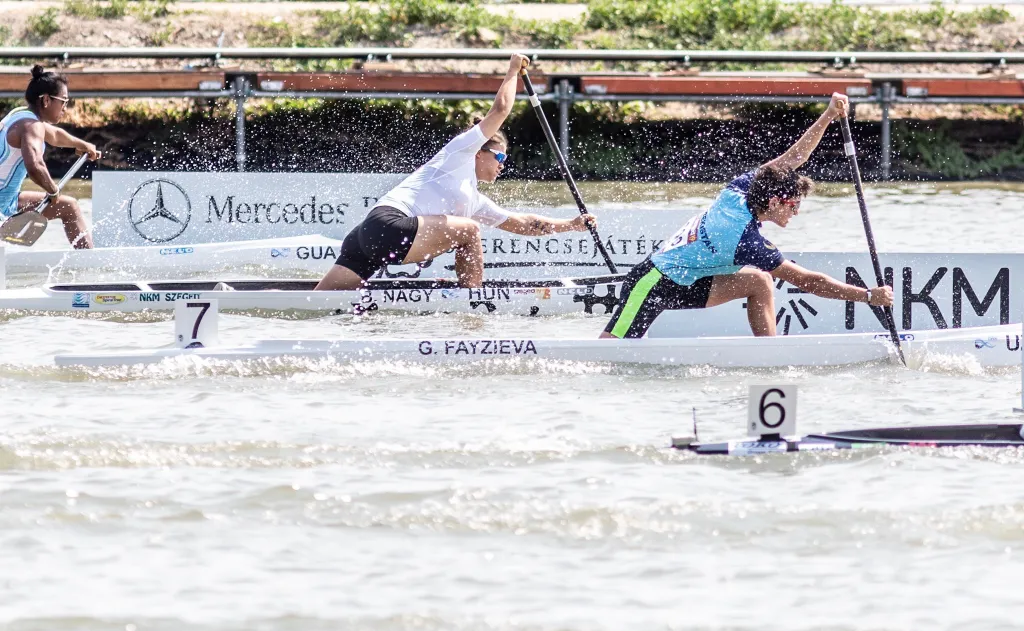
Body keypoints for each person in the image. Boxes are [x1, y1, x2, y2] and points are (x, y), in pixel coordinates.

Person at [601, 93, 894, 339]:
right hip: (653, 282)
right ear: (775, 201)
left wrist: (829, 115)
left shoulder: (741, 189)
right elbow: (808, 282)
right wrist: (868, 296)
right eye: (793, 205)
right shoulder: (746, 241)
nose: (796, 212)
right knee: (606, 355)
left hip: (688, 280)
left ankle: (767, 355)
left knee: (759, 282)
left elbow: (794, 158)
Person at [316, 53, 596, 290]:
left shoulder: (472, 200)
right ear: (479, 151)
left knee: (318, 304)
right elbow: (500, 109)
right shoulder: (459, 151)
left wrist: (571, 225)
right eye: (499, 155)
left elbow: (522, 223)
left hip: (367, 235)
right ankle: (472, 301)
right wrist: (512, 70)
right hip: (389, 225)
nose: (502, 164)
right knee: (470, 230)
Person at [0, 65, 101, 249]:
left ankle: (90, 264)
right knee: (68, 206)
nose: (65, 108)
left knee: (69, 206)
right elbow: (35, 166)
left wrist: (81, 144)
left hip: (7, 201)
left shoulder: (20, 115)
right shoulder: (31, 126)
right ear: (46, 100)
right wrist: (53, 190)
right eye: (64, 101)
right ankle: (91, 266)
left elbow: (54, 135)